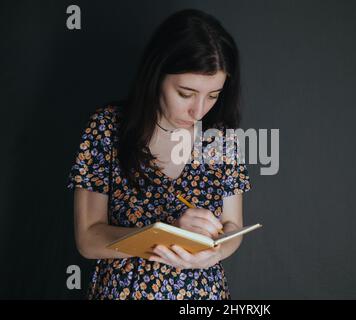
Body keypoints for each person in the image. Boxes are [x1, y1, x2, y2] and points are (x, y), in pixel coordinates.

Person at [66, 8, 251, 300]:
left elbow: (233, 227)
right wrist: (161, 233)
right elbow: (88, 239)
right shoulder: (106, 127)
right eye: (186, 93)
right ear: (156, 75)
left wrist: (214, 253)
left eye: (213, 95)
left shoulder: (222, 140)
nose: (198, 110)